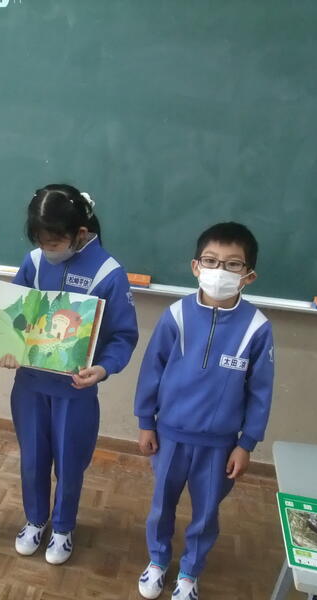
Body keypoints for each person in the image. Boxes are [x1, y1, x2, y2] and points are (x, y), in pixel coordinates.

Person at [0, 184, 138, 565]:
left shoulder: (109, 273)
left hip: (75, 391)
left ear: (80, 233)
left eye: (55, 242)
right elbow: (14, 314)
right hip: (30, 386)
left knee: (70, 461)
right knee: (33, 459)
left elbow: (123, 336)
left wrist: (104, 368)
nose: (48, 249)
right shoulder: (34, 262)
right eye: (41, 241)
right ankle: (35, 520)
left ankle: (62, 527)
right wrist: (5, 345)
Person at [134, 222, 275, 600]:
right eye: (211, 261)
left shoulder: (257, 328)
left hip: (219, 445)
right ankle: (157, 561)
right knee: (161, 506)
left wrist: (246, 443)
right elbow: (151, 370)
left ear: (248, 276)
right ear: (196, 267)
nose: (219, 271)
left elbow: (260, 392)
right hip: (170, 436)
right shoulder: (176, 315)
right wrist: (146, 422)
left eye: (232, 264)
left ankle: (189, 573)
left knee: (206, 513)